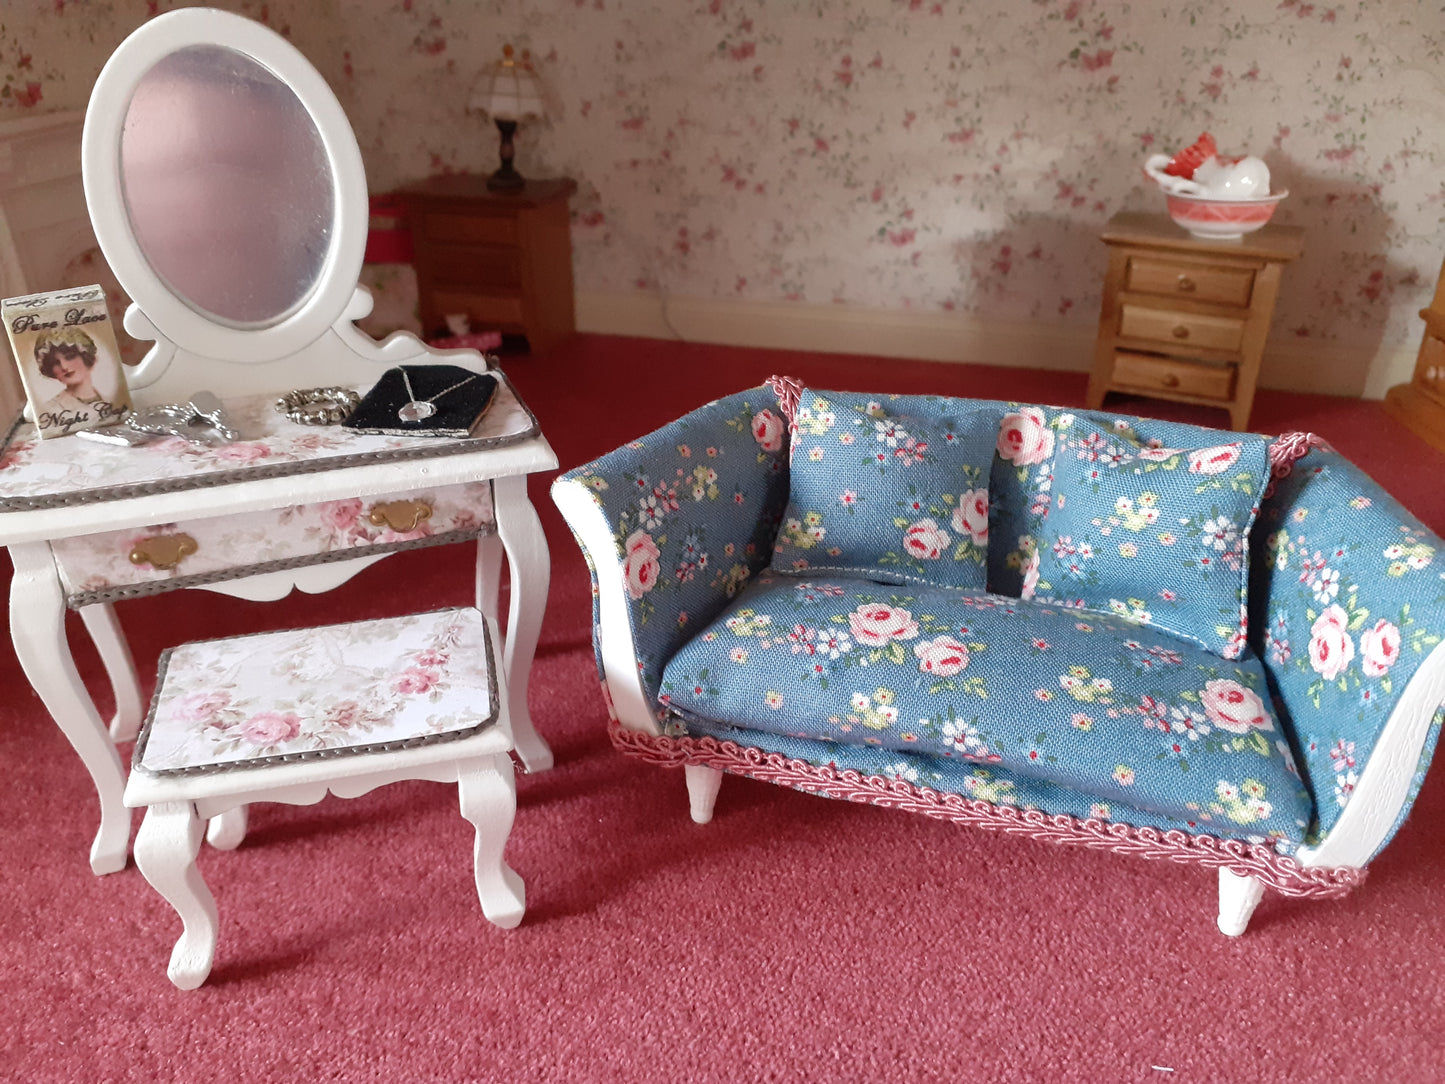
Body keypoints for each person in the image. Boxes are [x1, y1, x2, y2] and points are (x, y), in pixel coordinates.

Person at [33, 327, 128, 436]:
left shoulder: (112, 401)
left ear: (85, 356)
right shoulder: (53, 409)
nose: (64, 367)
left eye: (69, 357)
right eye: (55, 362)